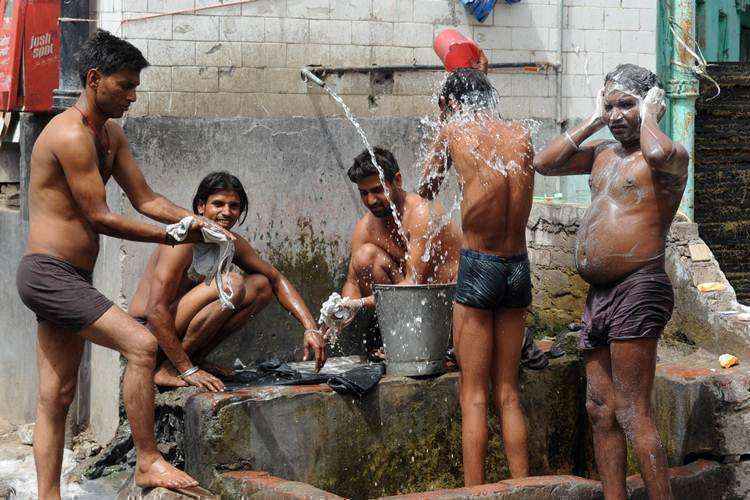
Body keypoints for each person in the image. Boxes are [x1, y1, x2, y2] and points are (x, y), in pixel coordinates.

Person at [14, 30, 224, 495]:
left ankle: (47, 496)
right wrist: (174, 234)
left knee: (57, 396)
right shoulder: (69, 134)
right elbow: (100, 216)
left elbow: (146, 199)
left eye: (135, 87)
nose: (132, 96)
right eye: (125, 85)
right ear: (94, 79)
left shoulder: (110, 134)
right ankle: (148, 460)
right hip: (48, 273)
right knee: (142, 346)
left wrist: (197, 222)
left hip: (72, 276)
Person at [533, 63, 687, 500]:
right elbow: (544, 163)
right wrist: (595, 118)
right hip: (599, 295)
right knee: (599, 409)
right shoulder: (601, 153)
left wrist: (652, 115)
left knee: (633, 411)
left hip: (640, 286)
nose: (618, 114)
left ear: (650, 105)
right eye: (611, 104)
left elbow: (657, 154)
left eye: (627, 105)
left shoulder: (668, 156)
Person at [418, 68, 535, 485]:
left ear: (450, 104)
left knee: (473, 394)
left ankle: (475, 493)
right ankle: (525, 489)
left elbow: (426, 187)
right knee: (508, 391)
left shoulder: (453, 129)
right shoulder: (521, 133)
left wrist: (443, 134)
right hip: (518, 266)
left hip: (480, 265)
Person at [129, 172, 326, 390]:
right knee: (232, 283)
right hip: (147, 333)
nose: (227, 212)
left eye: (234, 206)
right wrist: (185, 369)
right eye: (218, 204)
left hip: (176, 331)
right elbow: (156, 311)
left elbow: (276, 278)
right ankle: (170, 369)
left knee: (261, 286)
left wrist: (311, 328)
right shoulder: (182, 240)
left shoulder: (230, 242)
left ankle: (195, 358)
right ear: (201, 207)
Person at [327, 147, 461, 355]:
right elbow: (352, 282)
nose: (370, 200)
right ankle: (398, 343)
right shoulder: (366, 227)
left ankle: (422, 347)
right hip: (410, 312)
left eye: (378, 190)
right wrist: (339, 312)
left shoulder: (421, 214)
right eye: (364, 193)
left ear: (397, 180)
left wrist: (359, 303)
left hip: (448, 308)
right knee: (364, 257)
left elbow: (414, 285)